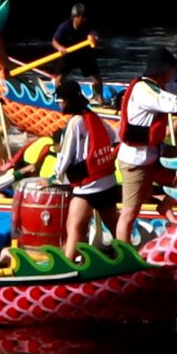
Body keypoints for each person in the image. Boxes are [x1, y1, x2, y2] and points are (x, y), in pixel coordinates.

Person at [112, 47, 177, 241]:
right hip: (136, 161)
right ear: (163, 69)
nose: (174, 72)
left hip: (156, 152)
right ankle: (123, 258)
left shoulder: (164, 85)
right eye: (172, 69)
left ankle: (166, 204)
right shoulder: (143, 90)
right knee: (129, 214)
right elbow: (174, 105)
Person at [49, 80, 120, 247]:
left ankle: (68, 265)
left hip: (87, 186)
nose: (59, 106)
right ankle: (128, 257)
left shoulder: (74, 123)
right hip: (107, 182)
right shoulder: (94, 117)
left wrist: (53, 178)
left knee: (74, 227)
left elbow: (64, 156)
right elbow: (115, 139)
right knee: (115, 226)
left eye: (60, 102)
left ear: (67, 101)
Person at [51, 4, 104, 96]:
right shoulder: (65, 26)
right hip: (68, 54)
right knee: (60, 78)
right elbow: (54, 41)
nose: (84, 19)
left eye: (85, 17)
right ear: (75, 17)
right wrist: (60, 48)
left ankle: (99, 98)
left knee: (97, 78)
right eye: (82, 17)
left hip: (85, 54)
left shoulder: (88, 25)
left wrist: (94, 39)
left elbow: (94, 35)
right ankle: (58, 96)